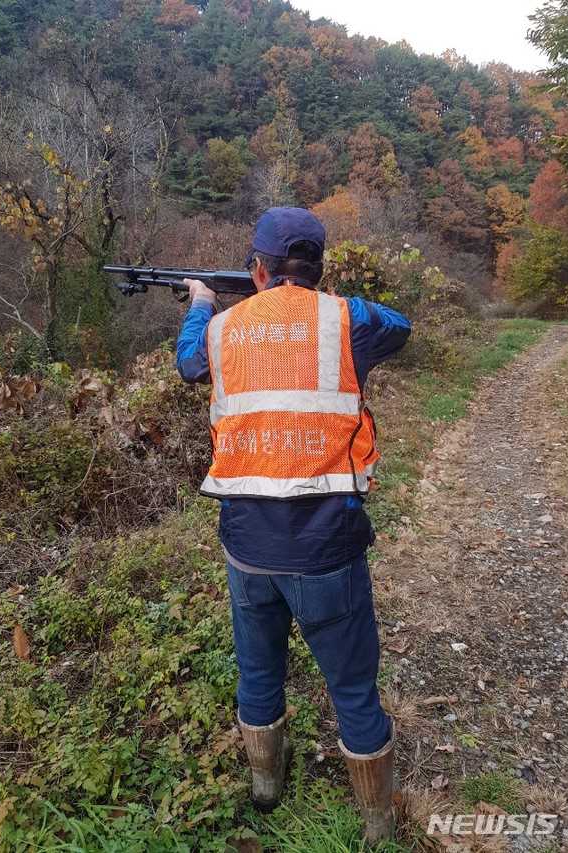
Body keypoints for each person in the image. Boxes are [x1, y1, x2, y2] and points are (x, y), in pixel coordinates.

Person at [176, 206, 411, 842]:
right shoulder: (347, 319)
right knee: (354, 688)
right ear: (319, 266)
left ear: (256, 268)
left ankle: (266, 789)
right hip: (327, 546)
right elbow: (401, 327)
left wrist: (200, 300)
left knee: (258, 674)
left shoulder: (222, 327)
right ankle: (377, 823)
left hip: (247, 545)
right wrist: (331, 302)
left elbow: (190, 363)